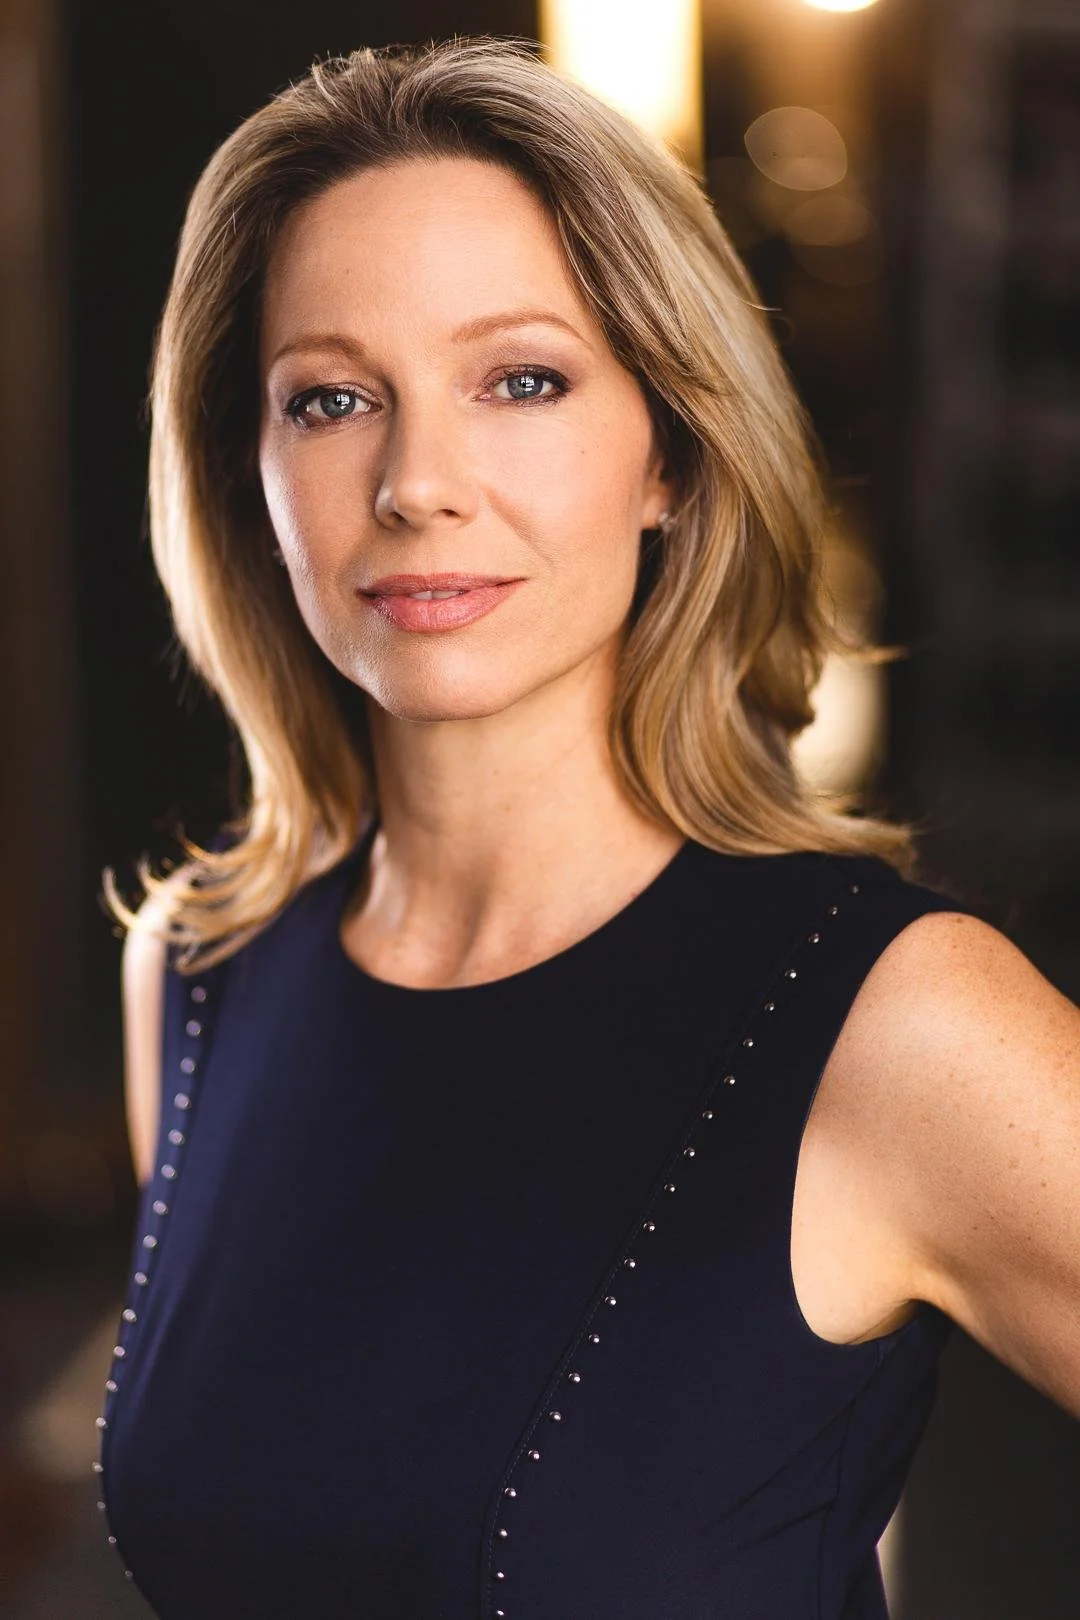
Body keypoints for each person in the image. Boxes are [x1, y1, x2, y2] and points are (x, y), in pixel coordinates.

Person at [95, 34, 1080, 1620]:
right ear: (251, 467)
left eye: (523, 380)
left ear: (672, 455)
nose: (418, 481)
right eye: (334, 399)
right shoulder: (201, 977)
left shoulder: (892, 1022)